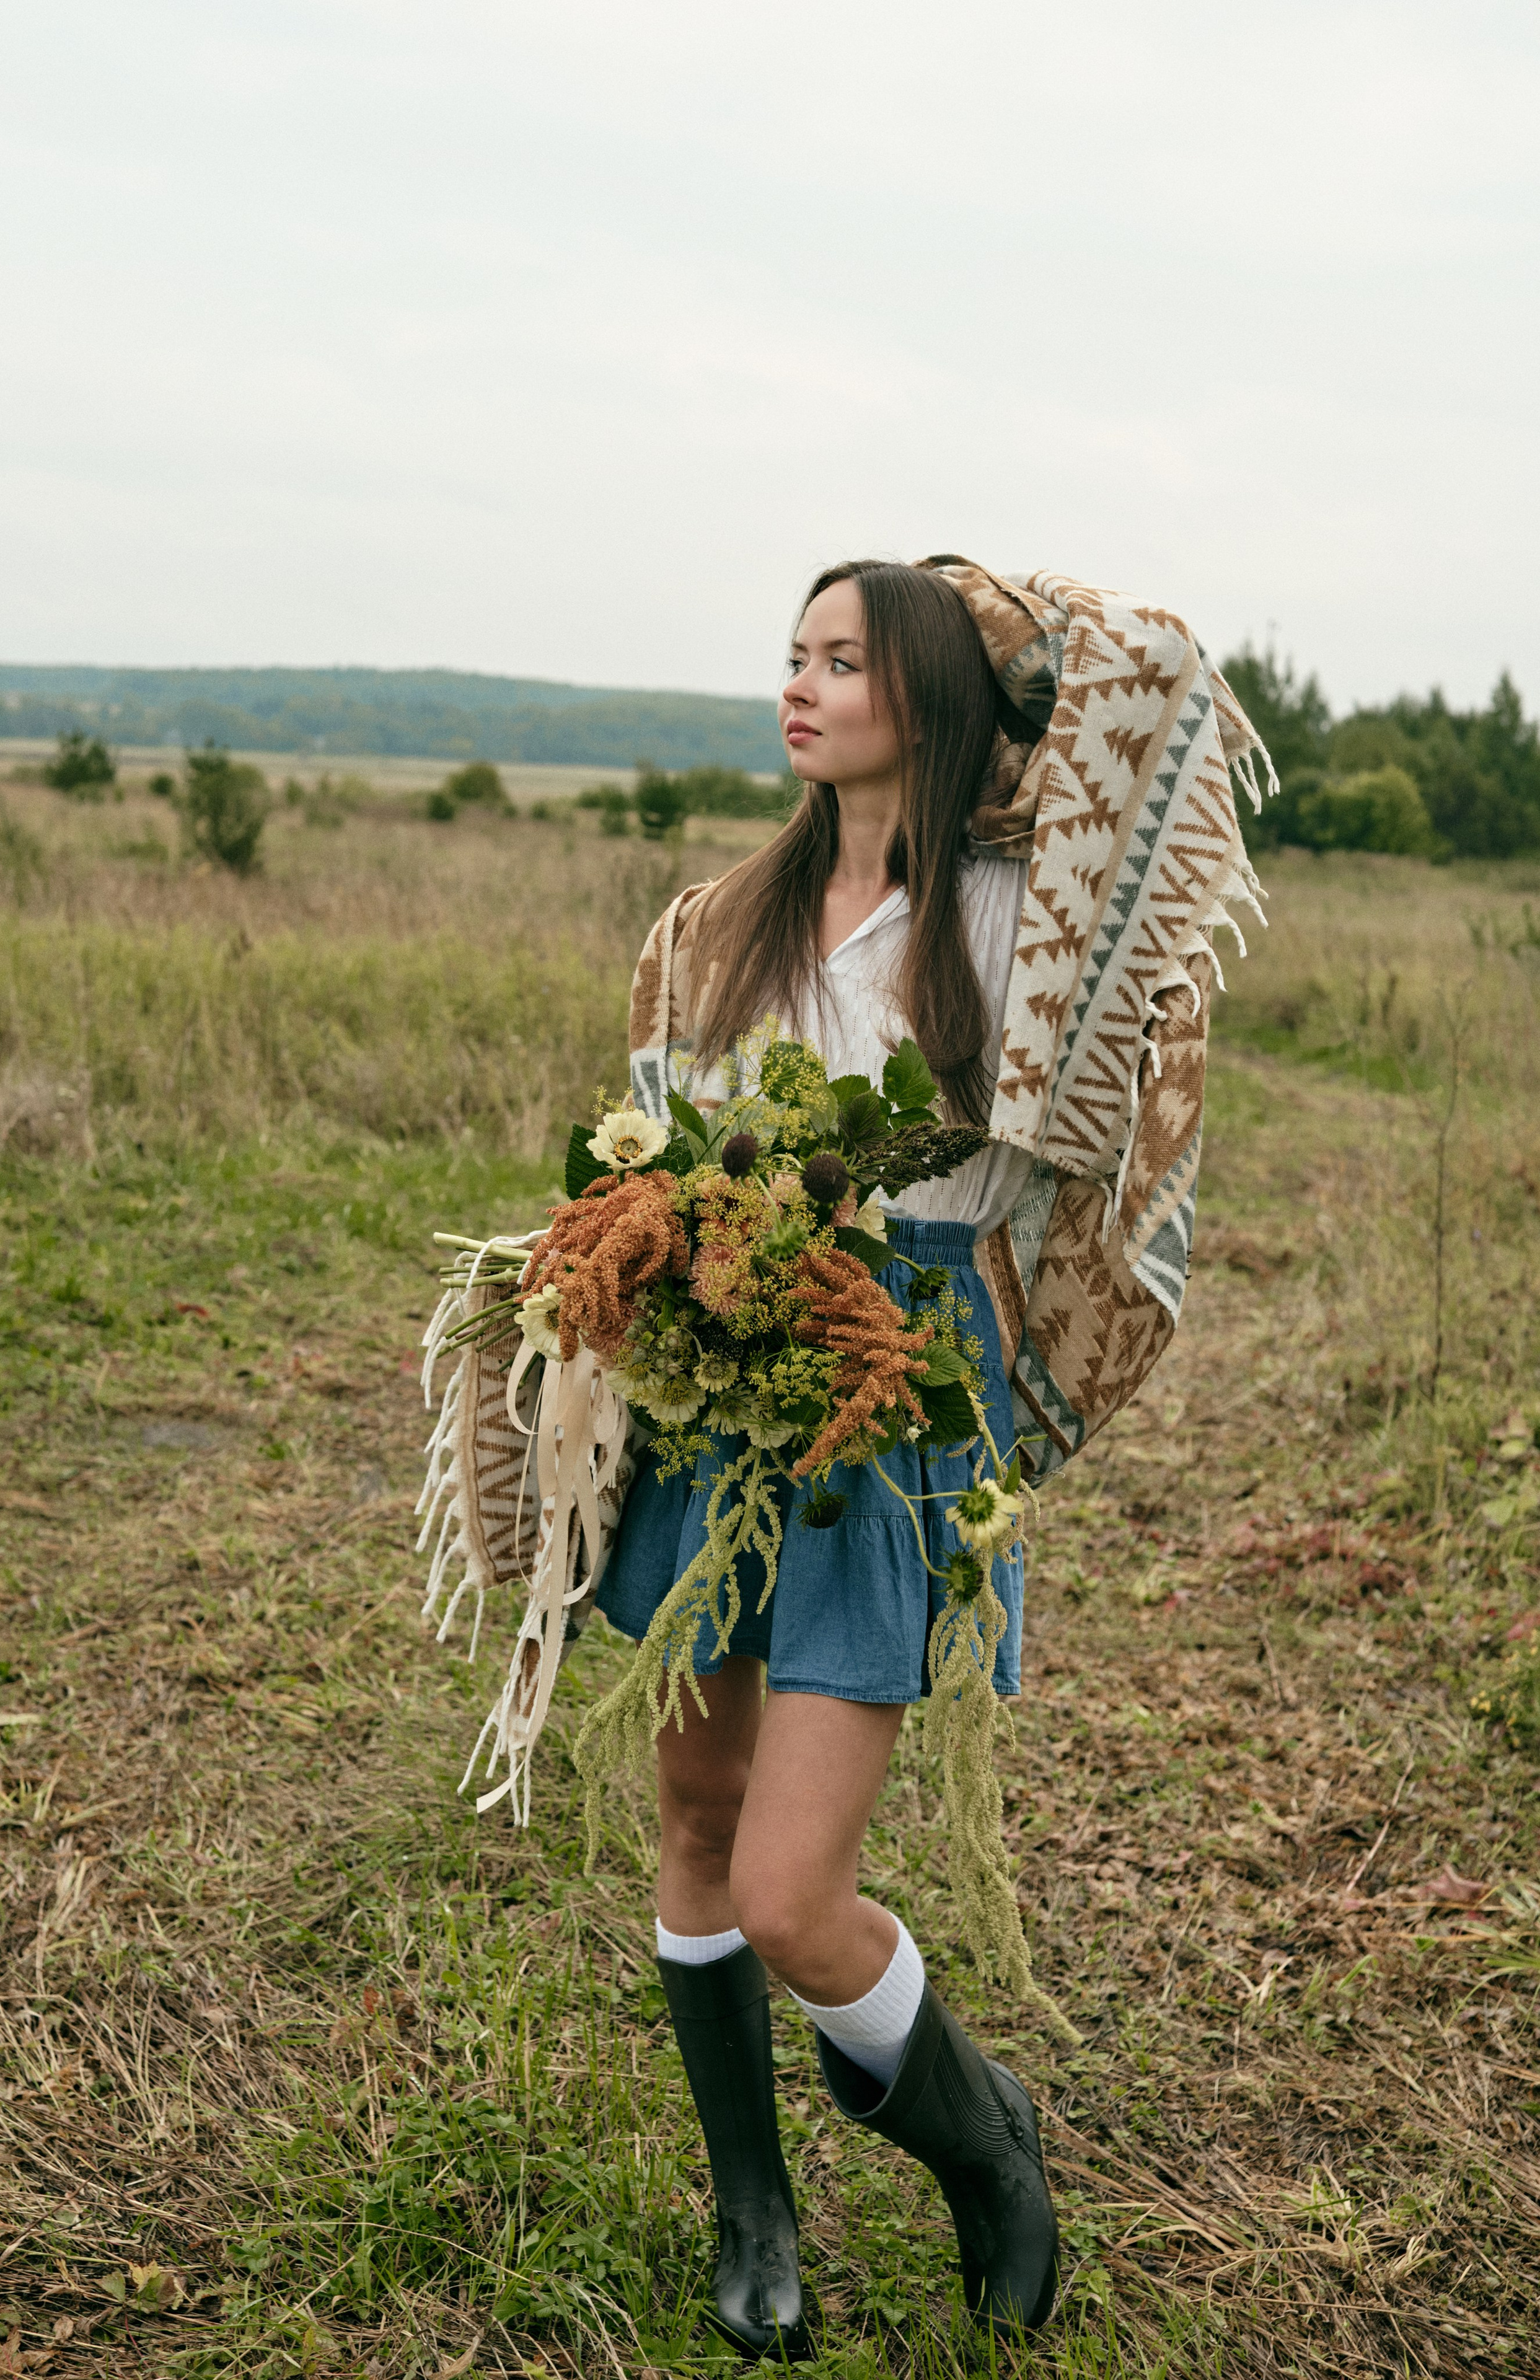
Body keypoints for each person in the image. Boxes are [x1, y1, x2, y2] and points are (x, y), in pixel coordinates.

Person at [596, 560, 1062, 2352]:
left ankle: (984, 2149)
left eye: (845, 660)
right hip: (725, 1383)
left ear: (928, 705)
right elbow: (658, 1140)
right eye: (791, 656)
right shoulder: (727, 916)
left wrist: (989, 627)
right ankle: (754, 2209)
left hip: (896, 1388)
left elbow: (1136, 687)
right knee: (698, 1823)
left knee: (795, 1889)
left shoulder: (1023, 920)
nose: (798, 686)